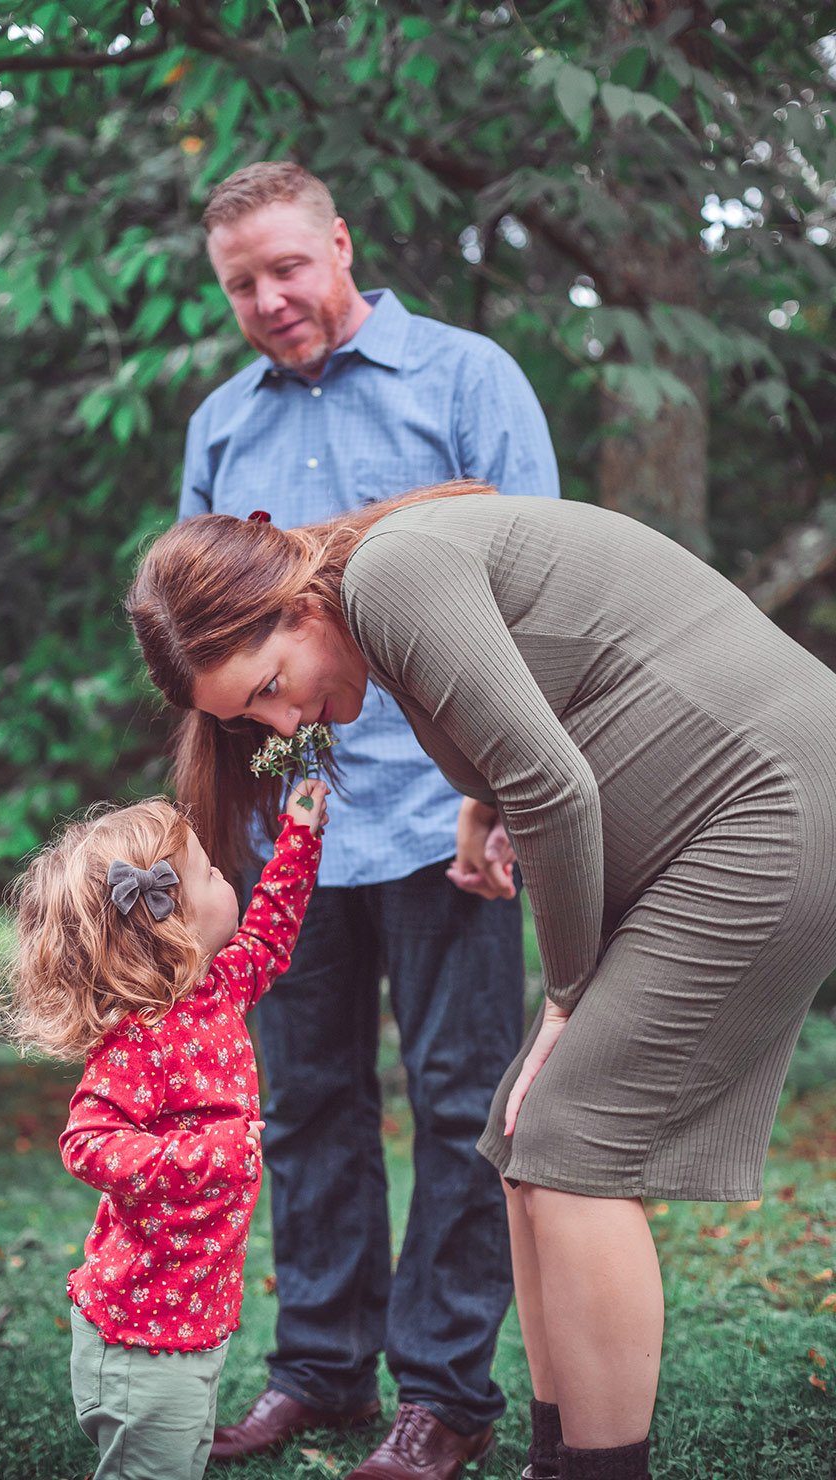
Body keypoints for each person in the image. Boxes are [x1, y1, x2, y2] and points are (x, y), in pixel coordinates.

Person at [127, 482, 836, 1480]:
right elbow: (531, 726)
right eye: (252, 715)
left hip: (773, 810)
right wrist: (480, 807)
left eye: (267, 687)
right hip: (732, 820)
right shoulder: (372, 594)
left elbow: (553, 783)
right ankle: (557, 1459)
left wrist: (564, 994)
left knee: (571, 1132)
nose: (280, 722)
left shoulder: (391, 573)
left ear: (292, 604)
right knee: (518, 1132)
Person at [176, 160, 559, 1480]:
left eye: (289, 265)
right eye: (242, 284)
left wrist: (502, 791)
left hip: (451, 813)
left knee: (463, 1105)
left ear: (340, 244)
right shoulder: (222, 426)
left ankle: (445, 1394)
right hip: (295, 830)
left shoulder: (468, 379)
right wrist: (214, 845)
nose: (271, 298)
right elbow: (199, 645)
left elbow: (538, 588)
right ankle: (321, 1372)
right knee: (303, 1107)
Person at [0, 777, 330, 1480]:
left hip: (190, 1318)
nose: (224, 875)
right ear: (170, 918)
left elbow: (271, 930)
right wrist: (207, 1155)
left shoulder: (216, 993)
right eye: (210, 871)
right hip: (141, 1334)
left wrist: (300, 835)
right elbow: (87, 1141)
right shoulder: (138, 1042)